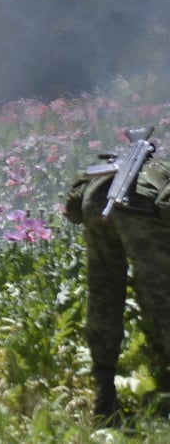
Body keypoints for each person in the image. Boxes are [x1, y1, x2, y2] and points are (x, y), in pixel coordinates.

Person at [64, 150, 170, 423]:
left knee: (104, 294)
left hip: (96, 200)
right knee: (163, 298)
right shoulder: (158, 173)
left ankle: (104, 397)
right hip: (138, 207)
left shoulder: (137, 166)